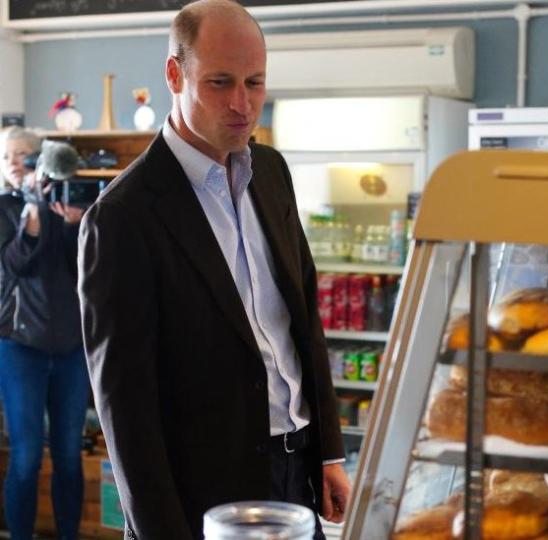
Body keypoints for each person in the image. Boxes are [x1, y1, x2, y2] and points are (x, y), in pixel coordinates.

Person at [77, 1, 349, 538]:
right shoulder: (122, 217)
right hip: (200, 492)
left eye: (255, 83)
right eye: (220, 83)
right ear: (175, 74)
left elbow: (302, 321)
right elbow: (125, 409)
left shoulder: (270, 171)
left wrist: (328, 452)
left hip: (296, 471)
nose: (242, 105)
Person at [0, 127, 89, 540]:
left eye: (22, 155)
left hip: (72, 348)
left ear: (42, 161)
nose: (14, 163)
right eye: (5, 157)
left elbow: (92, 268)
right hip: (20, 347)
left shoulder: (67, 202)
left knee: (70, 455)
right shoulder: (3, 208)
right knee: (27, 457)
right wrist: (32, 217)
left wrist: (80, 224)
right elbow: (13, 267)